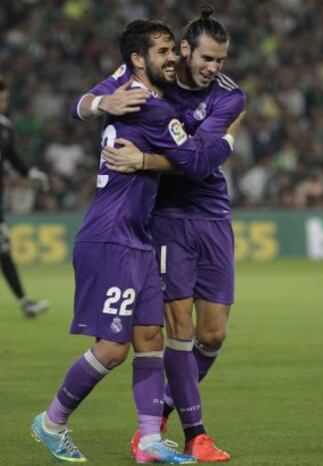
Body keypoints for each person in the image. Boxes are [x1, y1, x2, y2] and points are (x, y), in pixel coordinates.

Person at [32, 19, 241, 464]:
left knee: (149, 336)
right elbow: (198, 161)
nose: (173, 60)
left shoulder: (141, 92)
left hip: (140, 234)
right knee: (112, 348)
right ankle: (50, 421)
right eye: (166, 52)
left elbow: (86, 105)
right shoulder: (149, 107)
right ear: (139, 60)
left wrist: (105, 108)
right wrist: (227, 139)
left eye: (171, 51)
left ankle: (149, 442)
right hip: (112, 236)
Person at [0, 78, 50, 317]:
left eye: (4, 99)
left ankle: (25, 302)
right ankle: (25, 302)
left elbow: (14, 159)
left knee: (4, 250)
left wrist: (31, 173)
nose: (2, 103)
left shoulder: (6, 127)